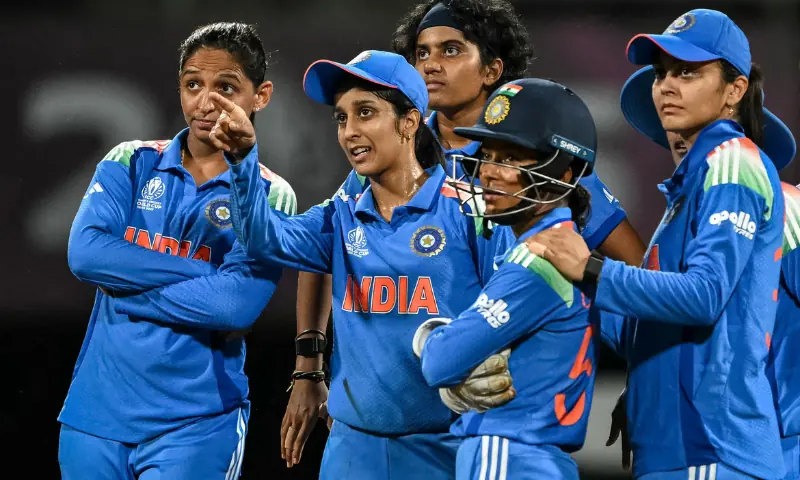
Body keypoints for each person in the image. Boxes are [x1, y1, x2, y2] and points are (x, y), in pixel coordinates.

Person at [283, 0, 646, 466]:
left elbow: (636, 268)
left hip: (495, 425)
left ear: (493, 69)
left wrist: (644, 380)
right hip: (400, 430)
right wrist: (309, 366)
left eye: (451, 50)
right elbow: (325, 251)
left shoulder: (539, 162)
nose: (431, 63)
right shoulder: (393, 149)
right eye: (421, 53)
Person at [213, 49, 516, 480]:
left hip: (449, 446)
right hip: (353, 450)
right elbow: (263, 240)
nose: (350, 132)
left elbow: (519, 314)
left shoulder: (472, 215)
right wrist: (243, 162)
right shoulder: (339, 216)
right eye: (341, 118)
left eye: (366, 113)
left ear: (409, 122)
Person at [527, 9, 796, 479]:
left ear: (735, 90)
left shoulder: (735, 161)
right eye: (661, 74)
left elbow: (706, 298)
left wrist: (590, 269)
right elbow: (642, 331)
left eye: (688, 73)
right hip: (678, 446)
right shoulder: (680, 207)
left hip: (716, 446)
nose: (666, 86)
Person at [58, 22, 296, 479]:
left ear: (259, 96)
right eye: (192, 85)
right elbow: (86, 254)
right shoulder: (130, 160)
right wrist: (201, 272)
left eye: (225, 87)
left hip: (196, 424)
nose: (205, 103)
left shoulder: (271, 193)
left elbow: (235, 307)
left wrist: (125, 290)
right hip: (95, 419)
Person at [413, 78, 600, 479]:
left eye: (511, 159)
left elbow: (441, 362)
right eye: (489, 155)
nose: (488, 174)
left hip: (509, 455)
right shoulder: (566, 249)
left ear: (565, 173)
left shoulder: (541, 259)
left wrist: (432, 335)